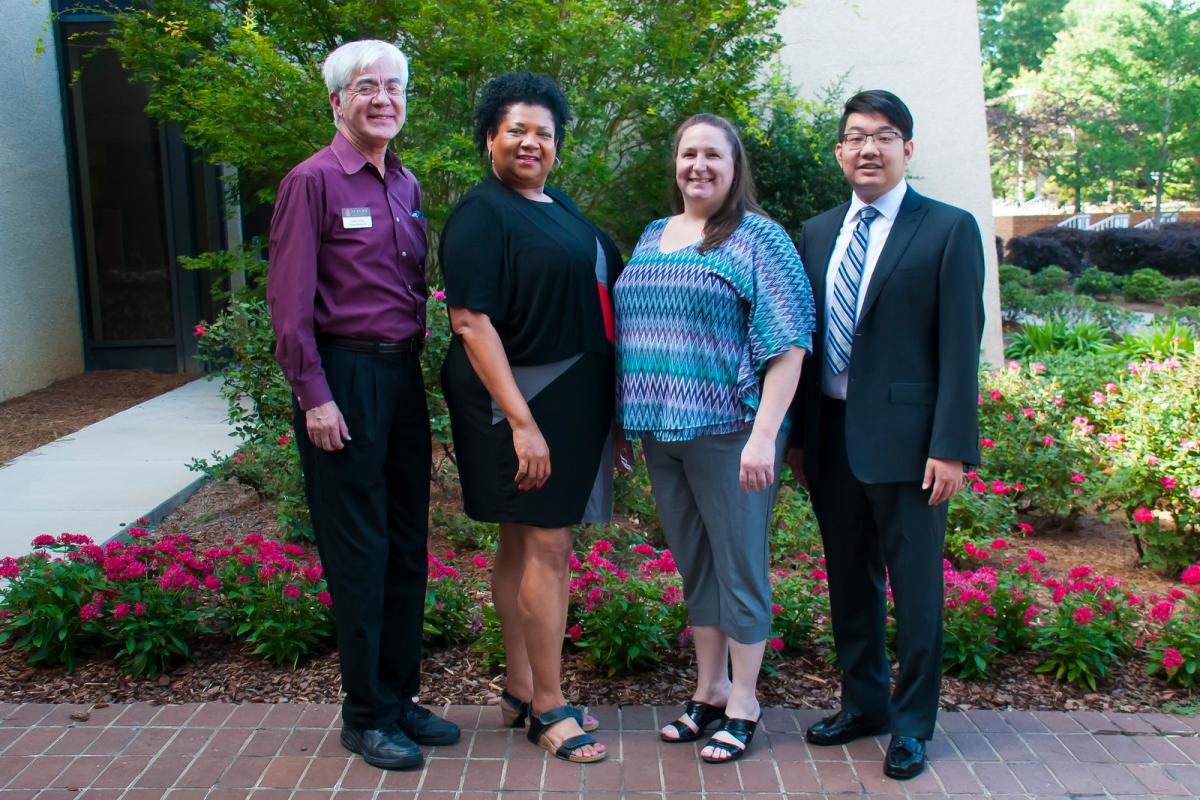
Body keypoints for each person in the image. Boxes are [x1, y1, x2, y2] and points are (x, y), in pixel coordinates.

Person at [266, 39, 459, 771]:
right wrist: (315, 397)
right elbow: (289, 308)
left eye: (395, 87)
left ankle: (399, 697)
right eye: (366, 87)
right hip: (341, 384)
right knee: (359, 550)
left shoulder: (404, 184)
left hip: (400, 378)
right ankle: (365, 715)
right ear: (338, 102)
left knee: (409, 544)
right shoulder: (312, 182)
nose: (384, 98)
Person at [787, 90, 985, 780]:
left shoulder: (947, 229)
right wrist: (797, 438)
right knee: (849, 579)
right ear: (840, 151)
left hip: (913, 444)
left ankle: (912, 724)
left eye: (884, 136)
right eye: (855, 137)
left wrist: (953, 444)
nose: (868, 148)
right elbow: (802, 344)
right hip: (831, 436)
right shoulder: (815, 232)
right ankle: (863, 703)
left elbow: (963, 343)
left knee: (915, 587)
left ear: (908, 148)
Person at [613, 114, 814, 764]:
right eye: (688, 154)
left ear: (734, 168)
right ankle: (708, 690)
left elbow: (789, 344)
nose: (698, 165)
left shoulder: (761, 238)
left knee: (740, 568)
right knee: (695, 565)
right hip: (662, 432)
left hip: (731, 433)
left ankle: (745, 703)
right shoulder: (653, 234)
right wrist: (624, 421)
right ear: (675, 164)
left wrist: (764, 437)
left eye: (713, 156)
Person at [439, 72, 622, 764]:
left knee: (522, 541)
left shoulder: (560, 205)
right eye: (517, 129)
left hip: (571, 400)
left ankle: (520, 687)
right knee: (548, 545)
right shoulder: (483, 213)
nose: (530, 142)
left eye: (543, 133)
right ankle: (550, 704)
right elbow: (470, 321)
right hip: (519, 399)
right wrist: (522, 422)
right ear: (490, 137)